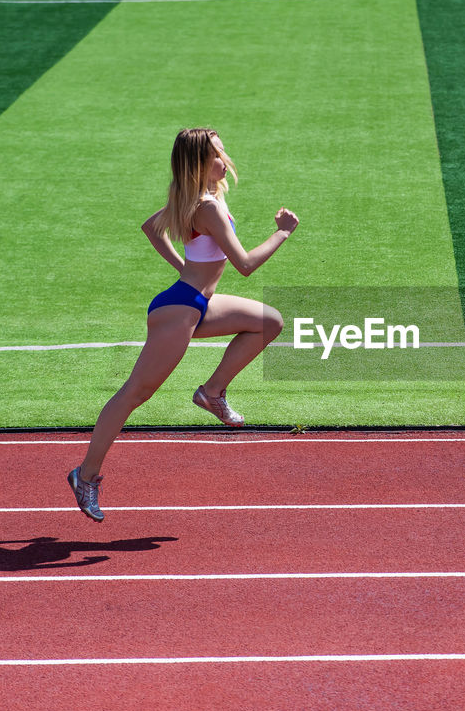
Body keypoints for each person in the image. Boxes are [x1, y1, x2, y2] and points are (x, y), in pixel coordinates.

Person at [67, 128, 298, 522]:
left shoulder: (197, 197)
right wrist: (282, 232)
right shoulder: (204, 206)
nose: (223, 158)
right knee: (134, 395)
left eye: (221, 150)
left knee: (268, 322)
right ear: (198, 163)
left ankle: (211, 393)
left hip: (196, 302)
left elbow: (150, 228)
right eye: (214, 154)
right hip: (179, 308)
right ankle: (85, 476)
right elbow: (244, 265)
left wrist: (184, 272)